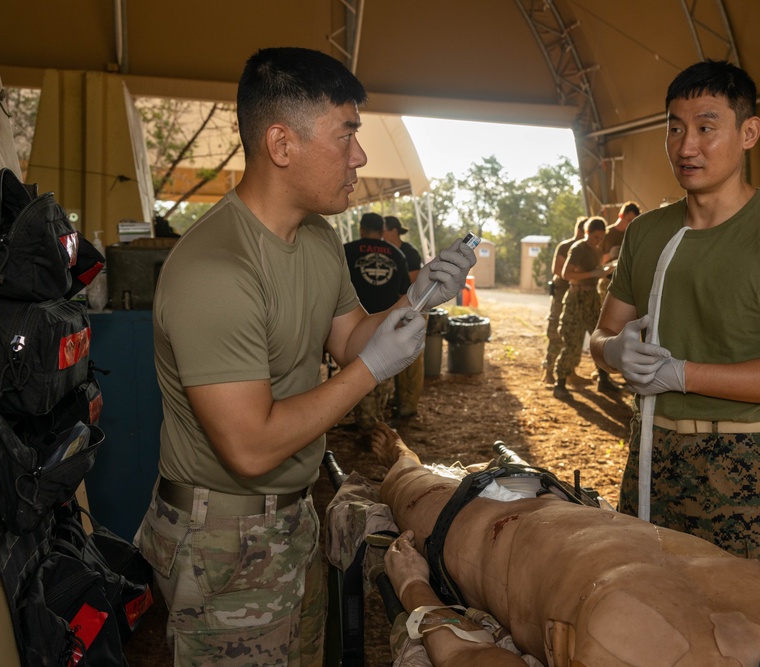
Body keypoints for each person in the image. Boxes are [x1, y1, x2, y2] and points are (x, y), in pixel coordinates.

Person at [134, 47, 476, 666]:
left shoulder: (318, 239)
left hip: (292, 517)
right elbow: (250, 445)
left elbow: (348, 339)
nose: (361, 156)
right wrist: (373, 371)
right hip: (222, 538)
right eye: (346, 135)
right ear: (282, 144)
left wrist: (419, 294)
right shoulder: (217, 269)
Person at [589, 60, 760, 575]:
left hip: (741, 458)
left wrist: (683, 374)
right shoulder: (647, 233)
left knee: (744, 620)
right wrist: (610, 351)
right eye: (675, 128)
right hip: (649, 451)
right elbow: (603, 332)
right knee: (643, 604)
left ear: (748, 132)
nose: (687, 146)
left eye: (707, 127)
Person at [369, 424, 760, 667]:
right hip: (573, 518)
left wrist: (415, 585)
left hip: (484, 527)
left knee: (406, 484)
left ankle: (403, 458)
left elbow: (467, 655)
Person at [344, 212, 411, 437]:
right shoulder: (397, 254)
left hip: (354, 324)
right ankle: (378, 425)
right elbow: (404, 291)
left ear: (361, 229)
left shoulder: (347, 251)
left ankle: (366, 426)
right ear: (383, 232)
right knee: (381, 372)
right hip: (386, 323)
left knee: (357, 370)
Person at [552, 216, 611, 399]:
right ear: (587, 233)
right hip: (576, 298)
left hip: (592, 297)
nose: (598, 241)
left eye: (601, 238)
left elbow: (595, 271)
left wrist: (605, 271)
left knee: (600, 339)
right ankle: (560, 383)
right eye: (595, 237)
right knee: (572, 340)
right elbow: (565, 273)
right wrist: (592, 273)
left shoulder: (596, 249)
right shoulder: (578, 248)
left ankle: (603, 379)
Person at [595, 202, 640, 393]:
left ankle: (627, 373)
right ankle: (603, 377)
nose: (631, 223)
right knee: (607, 329)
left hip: (628, 285)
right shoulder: (607, 234)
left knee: (630, 330)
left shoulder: (634, 233)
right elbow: (599, 262)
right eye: (629, 220)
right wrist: (613, 264)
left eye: (634, 221)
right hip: (608, 283)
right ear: (621, 216)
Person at [383, 215, 425, 418]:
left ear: (392, 231)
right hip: (397, 309)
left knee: (412, 359)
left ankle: (409, 404)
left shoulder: (409, 252)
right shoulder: (388, 252)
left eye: (383, 231)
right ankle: (399, 399)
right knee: (397, 356)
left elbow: (412, 282)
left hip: (414, 309)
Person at [541, 216, 586, 386]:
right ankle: (548, 370)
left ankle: (570, 371)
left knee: (575, 333)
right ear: (580, 230)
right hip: (562, 293)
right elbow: (558, 270)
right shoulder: (565, 246)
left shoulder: (589, 249)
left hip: (578, 295)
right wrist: (579, 274)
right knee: (556, 331)